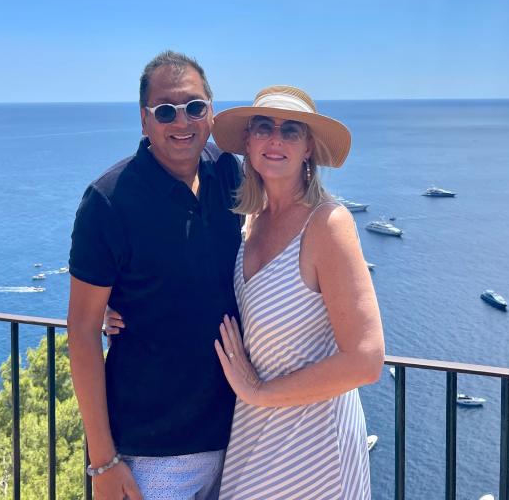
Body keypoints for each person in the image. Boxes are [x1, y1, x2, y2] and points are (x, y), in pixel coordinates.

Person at [107, 85, 384, 499]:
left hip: (314, 444)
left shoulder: (327, 224)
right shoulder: (246, 222)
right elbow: (194, 284)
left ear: (308, 147)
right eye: (263, 128)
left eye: (291, 131)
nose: (275, 140)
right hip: (253, 435)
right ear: (248, 142)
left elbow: (366, 359)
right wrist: (122, 307)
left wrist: (259, 392)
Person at [67, 51, 243, 500]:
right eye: (166, 110)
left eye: (195, 107)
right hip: (151, 456)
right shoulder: (109, 201)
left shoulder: (228, 173)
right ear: (145, 120)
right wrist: (103, 462)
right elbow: (83, 331)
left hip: (239, 437)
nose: (181, 121)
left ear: (212, 112)